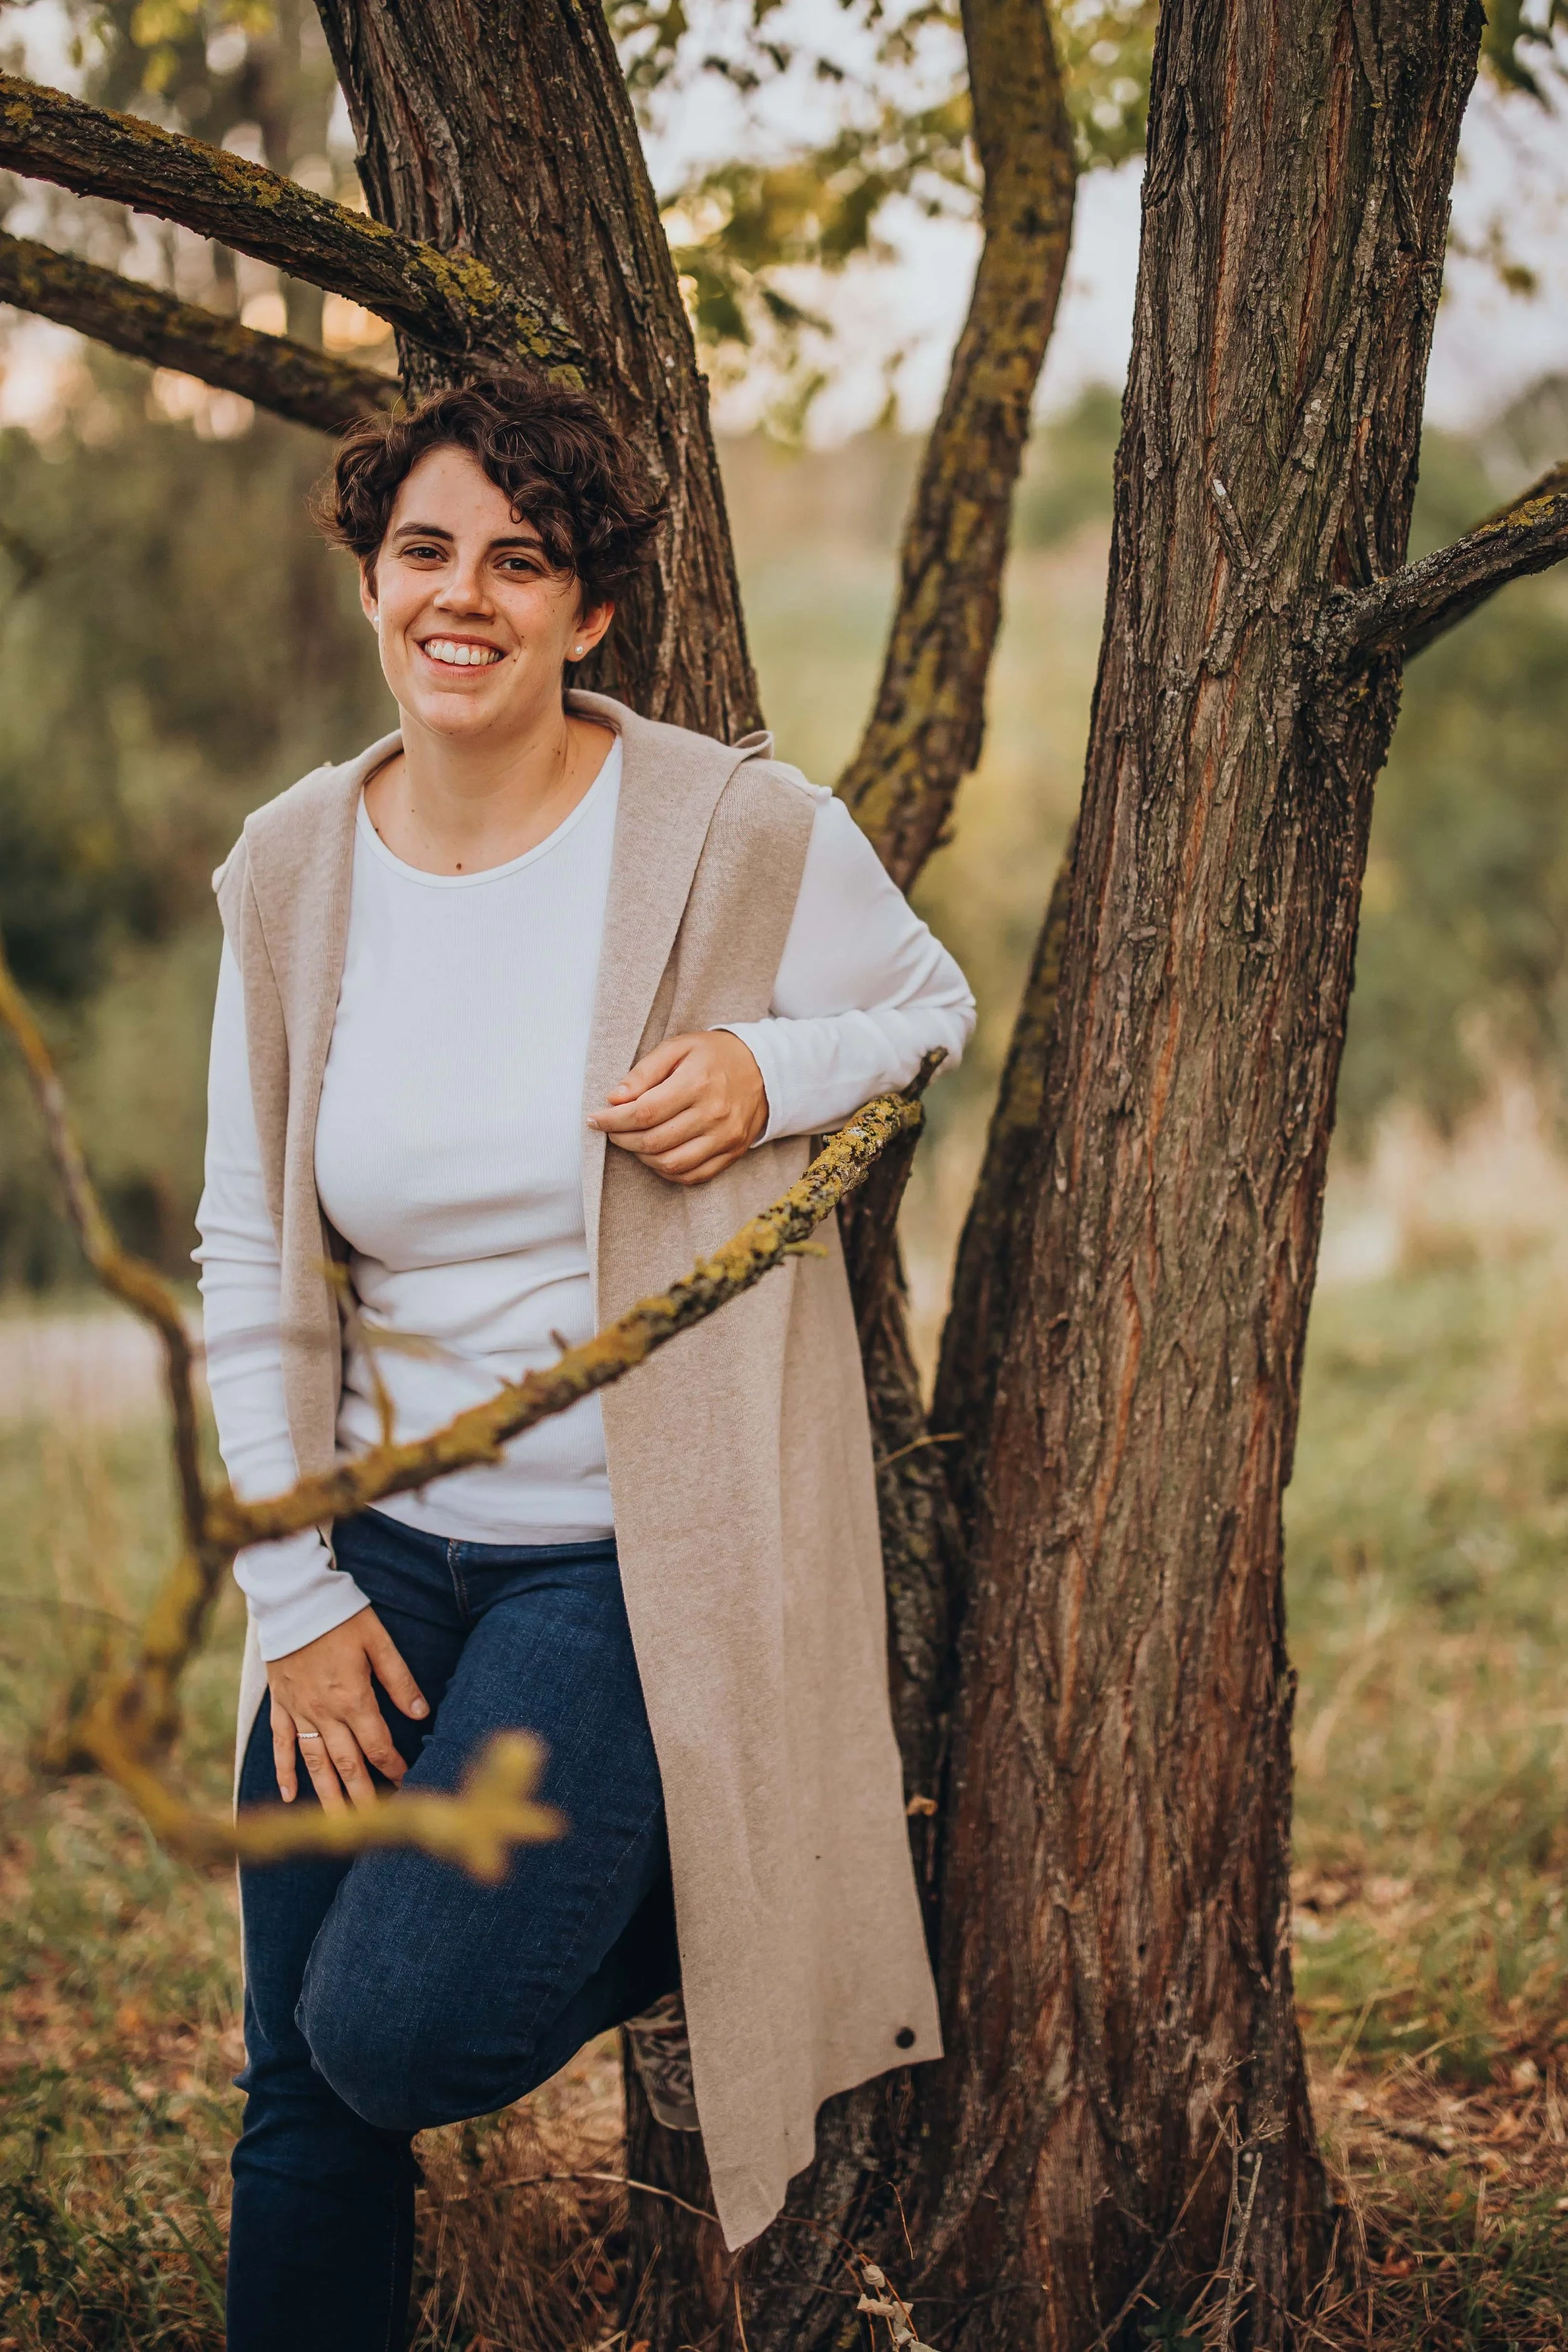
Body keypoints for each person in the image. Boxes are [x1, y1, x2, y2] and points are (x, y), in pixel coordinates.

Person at [194, 374, 975, 2352]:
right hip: (364, 1560)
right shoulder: (292, 866)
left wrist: (761, 1064)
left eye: (519, 563)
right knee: (299, 2083)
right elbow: (241, 1241)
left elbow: (922, 1003)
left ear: (588, 611)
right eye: (425, 550)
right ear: (374, 579)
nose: (465, 599)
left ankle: (742, 1869)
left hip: (612, 1561)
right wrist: (289, 1595)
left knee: (386, 2024)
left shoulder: (725, 830)